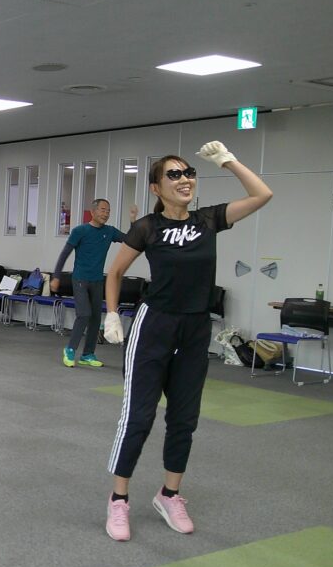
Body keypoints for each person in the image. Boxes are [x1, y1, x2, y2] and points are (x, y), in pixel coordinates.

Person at [102, 142, 272, 541]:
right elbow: (116, 273)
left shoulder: (208, 220)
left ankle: (169, 495)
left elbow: (262, 194)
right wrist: (111, 313)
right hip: (154, 326)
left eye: (189, 173)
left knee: (184, 418)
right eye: (174, 175)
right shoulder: (147, 227)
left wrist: (229, 161)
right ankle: (118, 500)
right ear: (156, 188)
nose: (185, 179)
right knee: (139, 417)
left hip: (195, 329)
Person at [51, 199, 138, 368]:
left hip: (97, 281)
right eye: (103, 210)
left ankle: (88, 354)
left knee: (96, 318)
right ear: (93, 212)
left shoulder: (110, 231)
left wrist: (133, 221)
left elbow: (130, 240)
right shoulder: (80, 231)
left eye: (108, 211)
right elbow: (64, 254)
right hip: (80, 279)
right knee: (84, 314)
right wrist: (56, 276)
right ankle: (70, 349)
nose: (106, 214)